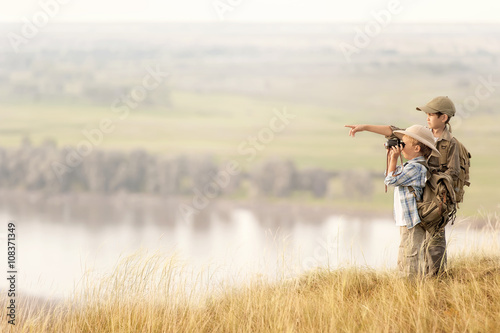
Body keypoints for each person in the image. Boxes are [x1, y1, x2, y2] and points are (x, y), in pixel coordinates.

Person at [345, 96, 460, 276]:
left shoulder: (449, 144)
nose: (427, 117)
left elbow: (452, 175)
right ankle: (421, 284)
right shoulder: (418, 134)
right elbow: (392, 131)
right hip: (417, 204)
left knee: (433, 248)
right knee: (413, 250)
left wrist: (440, 197)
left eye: (431, 114)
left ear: (443, 117)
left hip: (434, 203)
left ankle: (436, 283)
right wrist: (365, 127)